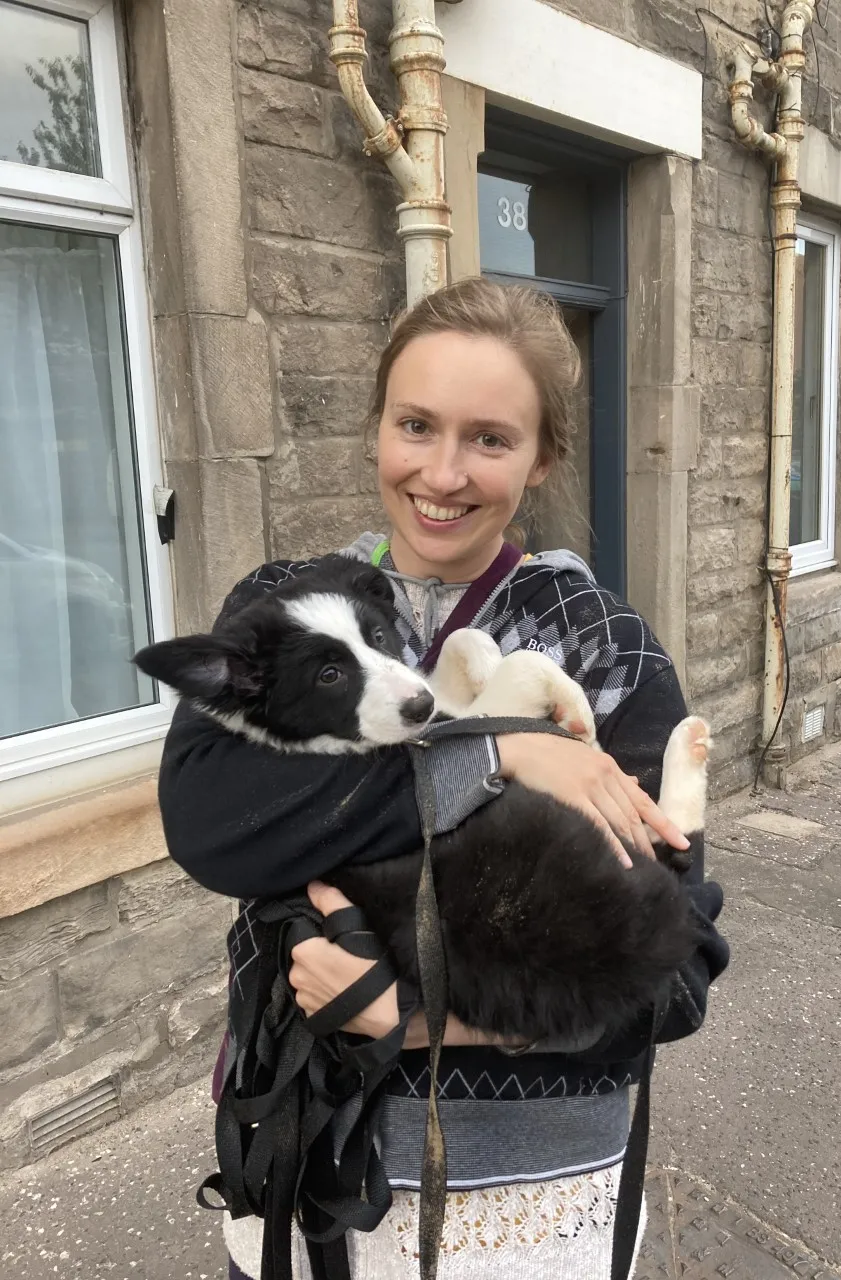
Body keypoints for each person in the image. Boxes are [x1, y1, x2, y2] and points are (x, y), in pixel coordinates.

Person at [158, 277, 730, 1280]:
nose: (443, 471)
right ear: (377, 425)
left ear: (542, 455)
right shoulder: (284, 607)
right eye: (416, 424)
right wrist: (493, 751)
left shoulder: (602, 648)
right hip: (306, 1162)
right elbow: (211, 826)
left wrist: (413, 1017)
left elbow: (671, 983)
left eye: (490, 438)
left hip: (531, 1207)